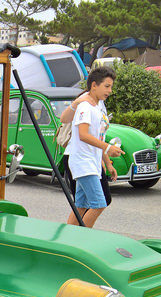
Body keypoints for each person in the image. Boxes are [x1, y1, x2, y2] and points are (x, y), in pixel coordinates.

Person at [62, 66, 122, 229]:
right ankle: (84, 237)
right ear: (94, 85)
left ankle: (68, 237)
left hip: (92, 161)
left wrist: (107, 162)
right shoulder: (85, 106)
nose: (110, 91)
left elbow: (98, 136)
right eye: (107, 86)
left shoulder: (99, 105)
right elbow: (83, 135)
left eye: (111, 87)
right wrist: (108, 148)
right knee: (99, 204)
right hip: (83, 161)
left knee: (81, 205)